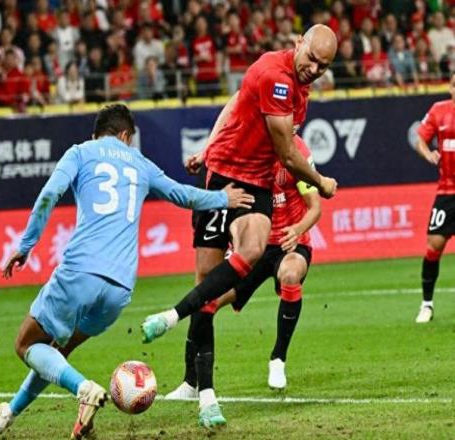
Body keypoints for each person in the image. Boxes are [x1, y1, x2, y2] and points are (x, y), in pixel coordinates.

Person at [0, 104, 254, 439]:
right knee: (55, 353)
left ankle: (84, 389)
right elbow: (181, 194)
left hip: (80, 273)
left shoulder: (81, 152)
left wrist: (26, 245)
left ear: (98, 133)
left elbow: (49, 194)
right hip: (120, 289)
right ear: (126, 136)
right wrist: (222, 198)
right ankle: (10, 412)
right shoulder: (140, 162)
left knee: (25, 345)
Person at [141, 24, 338, 425]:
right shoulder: (275, 77)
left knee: (250, 250)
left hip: (256, 182)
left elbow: (235, 101)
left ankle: (172, 317)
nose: (314, 68)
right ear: (298, 43)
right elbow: (287, 154)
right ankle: (204, 394)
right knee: (207, 283)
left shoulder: (300, 89)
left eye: (323, 65)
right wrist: (321, 181)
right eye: (311, 58)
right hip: (224, 176)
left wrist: (206, 144)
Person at [165, 136, 321, 427]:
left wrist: (297, 230)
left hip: (289, 243)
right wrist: (204, 155)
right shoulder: (248, 150)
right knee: (206, 296)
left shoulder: (296, 152)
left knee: (290, 275)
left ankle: (278, 359)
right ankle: (190, 382)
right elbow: (225, 138)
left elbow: (315, 206)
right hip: (252, 247)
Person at [414, 72, 455, 324]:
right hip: (447, 192)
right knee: (434, 246)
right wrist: (428, 154)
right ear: (450, 88)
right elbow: (419, 138)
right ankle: (426, 304)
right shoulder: (439, 111)